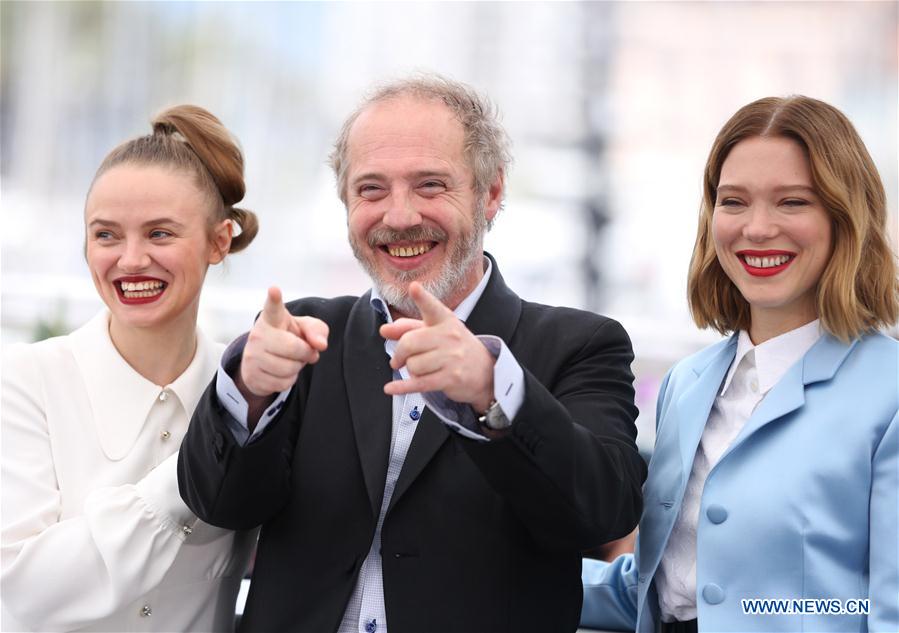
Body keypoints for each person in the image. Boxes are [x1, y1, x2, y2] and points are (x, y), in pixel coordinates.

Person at [178, 75, 647, 632]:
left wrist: (491, 392)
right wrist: (248, 393)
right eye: (371, 189)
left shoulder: (582, 345)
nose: (399, 217)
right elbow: (220, 505)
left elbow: (603, 512)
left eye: (429, 186)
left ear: (491, 192)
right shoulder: (304, 334)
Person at [580, 95, 899, 633]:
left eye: (792, 202)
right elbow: (665, 590)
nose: (756, 228)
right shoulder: (688, 382)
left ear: (846, 216)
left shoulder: (888, 391)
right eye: (733, 201)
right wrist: (492, 574)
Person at [1, 105, 259, 632]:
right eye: (106, 235)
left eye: (160, 234)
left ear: (219, 241)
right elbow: (23, 589)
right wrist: (190, 474)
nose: (131, 259)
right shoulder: (27, 381)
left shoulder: (248, 391)